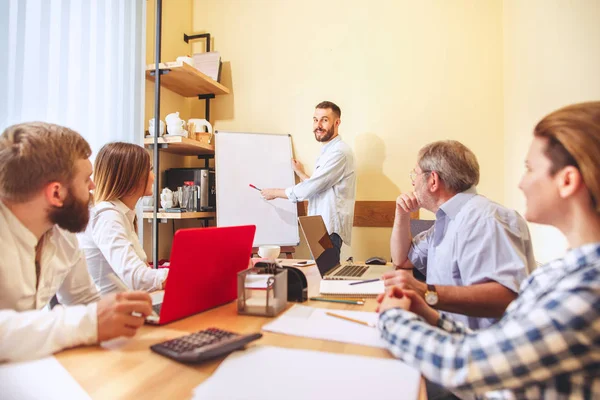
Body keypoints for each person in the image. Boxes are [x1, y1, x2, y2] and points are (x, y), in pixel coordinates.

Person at [377, 101, 600, 399]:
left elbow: (463, 363)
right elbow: (402, 260)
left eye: (530, 169)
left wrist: (394, 316)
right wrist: (427, 311)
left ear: (568, 180)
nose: (520, 183)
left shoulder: (586, 289)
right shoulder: (563, 273)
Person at [0, 122, 152, 362]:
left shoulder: (62, 235)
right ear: (56, 193)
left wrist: (120, 315)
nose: (93, 188)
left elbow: (82, 301)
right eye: (86, 180)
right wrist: (90, 322)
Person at [384, 140, 535, 330]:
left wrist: (426, 291)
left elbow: (506, 298)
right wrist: (402, 214)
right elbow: (402, 259)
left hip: (476, 348)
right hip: (448, 334)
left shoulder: (485, 220)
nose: (413, 182)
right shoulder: (448, 220)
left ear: (432, 180)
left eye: (415, 174)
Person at [261, 101, 356, 261]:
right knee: (320, 276)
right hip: (319, 226)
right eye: (315, 119)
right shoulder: (328, 151)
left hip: (328, 229)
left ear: (337, 122)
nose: (318, 125)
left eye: (324, 120)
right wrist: (301, 173)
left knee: (325, 278)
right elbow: (321, 187)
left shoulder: (339, 153)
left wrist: (275, 193)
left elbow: (311, 188)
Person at [77, 142, 168, 294]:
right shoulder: (107, 217)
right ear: (132, 177)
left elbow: (141, 272)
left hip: (126, 304)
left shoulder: (122, 214)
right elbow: (137, 279)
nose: (153, 176)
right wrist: (183, 275)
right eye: (150, 170)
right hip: (110, 311)